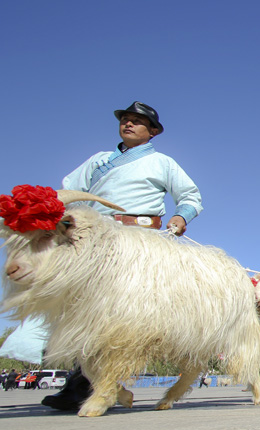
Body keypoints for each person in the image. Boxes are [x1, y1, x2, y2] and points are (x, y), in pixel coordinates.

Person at [41, 101, 203, 411]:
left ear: (152, 131)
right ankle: (84, 383)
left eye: (137, 122)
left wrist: (181, 216)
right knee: (85, 308)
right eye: (125, 120)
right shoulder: (99, 161)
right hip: (95, 242)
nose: (128, 125)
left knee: (132, 309)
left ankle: (100, 383)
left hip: (140, 242)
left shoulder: (163, 163)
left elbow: (190, 196)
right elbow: (68, 190)